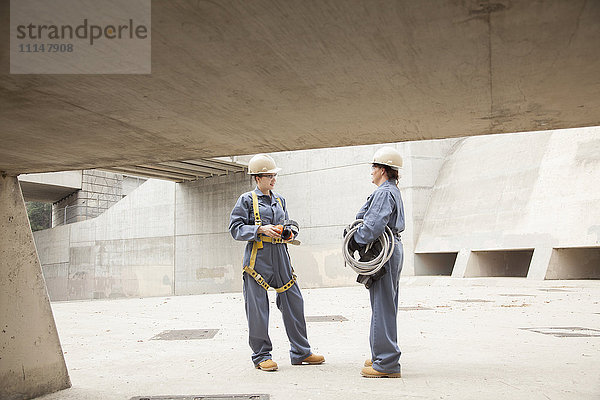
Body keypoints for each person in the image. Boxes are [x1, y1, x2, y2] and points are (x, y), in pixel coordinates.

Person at [229, 153, 324, 371]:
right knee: (258, 308)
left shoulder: (280, 200)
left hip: (280, 256)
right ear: (257, 178)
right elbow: (235, 229)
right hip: (257, 259)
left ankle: (301, 352)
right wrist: (259, 229)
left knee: (294, 301)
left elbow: (288, 223)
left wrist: (289, 233)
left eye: (274, 176)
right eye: (269, 176)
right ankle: (261, 356)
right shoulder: (246, 200)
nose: (273, 180)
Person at [348, 146, 405, 378]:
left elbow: (372, 227)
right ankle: (381, 353)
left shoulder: (383, 193)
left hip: (385, 250)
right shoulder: (392, 190)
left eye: (373, 167)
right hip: (393, 249)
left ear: (382, 169)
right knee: (386, 306)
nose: (371, 171)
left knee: (382, 307)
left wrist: (355, 241)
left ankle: (387, 363)